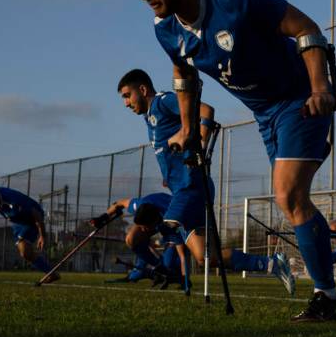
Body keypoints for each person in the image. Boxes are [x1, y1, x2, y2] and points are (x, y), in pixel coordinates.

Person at [131, 0, 336, 321]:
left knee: (288, 194)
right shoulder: (165, 29)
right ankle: (330, 291)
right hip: (263, 114)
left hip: (299, 98)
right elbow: (184, 75)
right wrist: (190, 130)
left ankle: (327, 296)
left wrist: (321, 88)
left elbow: (307, 30)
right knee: (294, 202)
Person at [116, 68, 294, 295]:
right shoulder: (150, 117)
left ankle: (159, 270)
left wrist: (198, 144)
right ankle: (271, 264)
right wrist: (169, 174)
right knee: (205, 257)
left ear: (142, 89)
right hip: (183, 187)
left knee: (156, 228)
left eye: (127, 95)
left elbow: (206, 110)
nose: (126, 103)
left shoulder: (164, 102)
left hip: (192, 187)